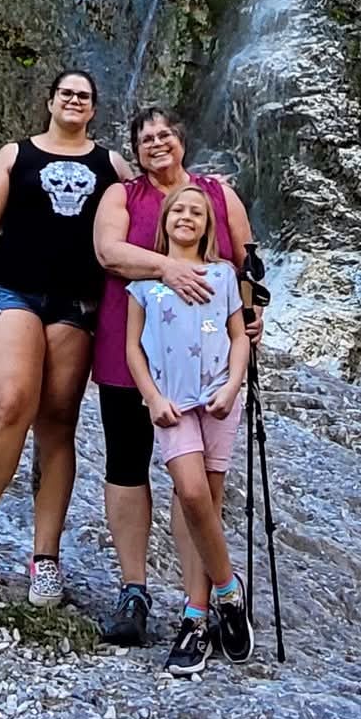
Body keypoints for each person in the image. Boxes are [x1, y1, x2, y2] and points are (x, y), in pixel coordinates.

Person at [0, 68, 129, 605]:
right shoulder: (15, 156)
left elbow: (141, 225)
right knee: (10, 402)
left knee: (58, 422)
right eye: (66, 93)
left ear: (93, 109)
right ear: (50, 101)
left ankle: (46, 557)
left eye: (84, 96)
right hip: (13, 291)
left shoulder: (110, 165)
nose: (74, 101)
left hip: (77, 303)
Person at [90, 105, 257, 647]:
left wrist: (252, 321)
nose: (156, 144)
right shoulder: (124, 196)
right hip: (130, 351)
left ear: (182, 141)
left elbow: (245, 260)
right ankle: (134, 589)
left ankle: (199, 605)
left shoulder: (218, 194)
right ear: (135, 150)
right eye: (145, 138)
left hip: (208, 366)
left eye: (165, 135)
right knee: (126, 463)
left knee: (197, 488)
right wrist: (166, 267)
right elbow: (108, 252)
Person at [125, 184, 253, 673]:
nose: (186, 216)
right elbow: (134, 347)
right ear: (164, 221)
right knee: (193, 495)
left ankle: (196, 618)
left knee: (209, 507)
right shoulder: (145, 284)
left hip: (219, 400)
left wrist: (233, 386)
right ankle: (228, 589)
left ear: (208, 225)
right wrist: (152, 397)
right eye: (178, 209)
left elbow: (239, 339)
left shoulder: (223, 276)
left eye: (196, 211)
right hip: (173, 406)